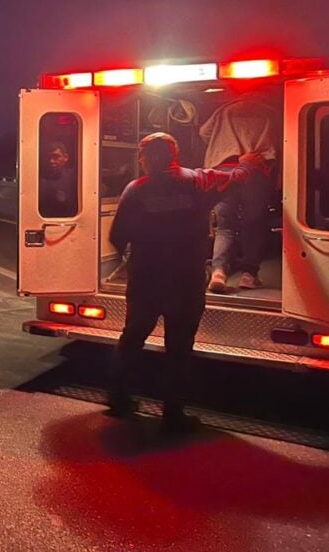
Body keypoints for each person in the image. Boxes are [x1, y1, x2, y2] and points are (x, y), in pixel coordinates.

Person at [107, 132, 267, 433]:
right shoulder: (199, 180)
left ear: (147, 158)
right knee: (179, 347)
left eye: (143, 156)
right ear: (173, 155)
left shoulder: (135, 190)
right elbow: (238, 177)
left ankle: (118, 399)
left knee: (132, 337)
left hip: (146, 280)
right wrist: (245, 162)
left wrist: (131, 257)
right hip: (185, 281)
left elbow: (117, 236)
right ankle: (173, 412)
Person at [199, 97, 280, 292]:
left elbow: (204, 133)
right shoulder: (269, 111)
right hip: (257, 170)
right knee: (253, 223)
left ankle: (218, 272)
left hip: (223, 170)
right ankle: (249, 275)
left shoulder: (224, 110)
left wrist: (228, 144)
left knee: (224, 226)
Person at [39, 141, 77, 217]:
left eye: (56, 156)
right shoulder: (38, 180)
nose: (51, 161)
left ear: (66, 157)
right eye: (48, 157)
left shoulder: (75, 177)